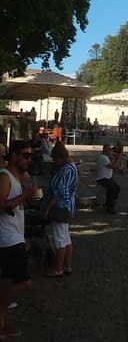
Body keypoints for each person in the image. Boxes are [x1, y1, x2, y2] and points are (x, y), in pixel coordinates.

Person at [1, 142, 40, 338]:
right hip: (7, 239)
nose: (28, 160)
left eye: (30, 156)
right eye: (25, 155)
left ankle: (4, 324)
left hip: (15, 237)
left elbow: (15, 204)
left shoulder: (15, 177)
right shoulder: (4, 177)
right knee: (24, 282)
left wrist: (28, 198)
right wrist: (25, 194)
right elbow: (2, 206)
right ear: (14, 155)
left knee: (8, 283)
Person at [46, 144, 76, 276]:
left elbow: (60, 193)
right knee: (66, 237)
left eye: (55, 159)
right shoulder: (70, 166)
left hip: (61, 207)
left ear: (60, 157)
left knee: (59, 239)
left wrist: (48, 208)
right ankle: (67, 266)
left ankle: (58, 269)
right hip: (67, 206)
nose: (54, 162)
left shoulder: (66, 170)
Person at [96, 144, 124, 214]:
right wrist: (119, 158)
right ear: (105, 150)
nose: (111, 152)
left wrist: (117, 157)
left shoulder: (106, 157)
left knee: (116, 188)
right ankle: (110, 207)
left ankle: (109, 203)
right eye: (109, 150)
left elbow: (114, 165)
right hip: (102, 178)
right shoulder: (103, 157)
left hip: (107, 178)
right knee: (113, 189)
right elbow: (113, 166)